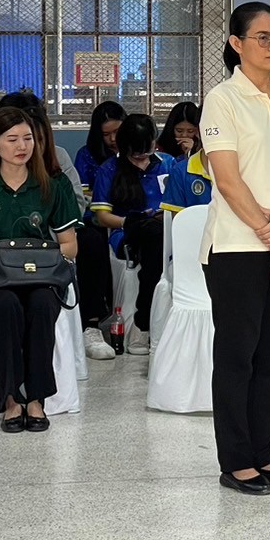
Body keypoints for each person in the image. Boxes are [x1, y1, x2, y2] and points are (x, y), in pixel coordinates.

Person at [201, 2, 270, 496]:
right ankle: (236, 459)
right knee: (237, 356)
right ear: (236, 43)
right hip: (236, 248)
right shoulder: (222, 99)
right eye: (263, 37)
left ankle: (264, 452)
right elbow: (228, 180)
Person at [0, 107, 82, 433]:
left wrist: (37, 263)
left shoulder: (53, 185)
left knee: (42, 303)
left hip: (42, 278)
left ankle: (36, 399)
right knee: (6, 305)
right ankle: (11, 400)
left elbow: (70, 245)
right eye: (12, 139)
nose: (22, 146)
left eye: (28, 138)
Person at [90, 114, 174, 358]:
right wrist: (128, 221)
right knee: (151, 234)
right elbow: (102, 216)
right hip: (126, 231)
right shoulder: (109, 169)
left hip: (166, 229)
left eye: (147, 151)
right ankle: (142, 324)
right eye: (136, 154)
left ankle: (152, 320)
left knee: (157, 233)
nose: (142, 158)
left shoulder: (168, 164)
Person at [74, 100, 126, 358]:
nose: (113, 139)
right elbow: (83, 196)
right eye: (106, 134)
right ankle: (92, 321)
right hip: (94, 218)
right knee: (91, 241)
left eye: (118, 132)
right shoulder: (86, 155)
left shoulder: (139, 154)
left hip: (127, 218)